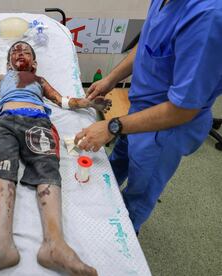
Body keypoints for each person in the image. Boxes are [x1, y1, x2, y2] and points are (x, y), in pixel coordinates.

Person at [0, 41, 110, 276]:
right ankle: (2, 244)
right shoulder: (2, 79)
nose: (19, 53)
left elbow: (62, 101)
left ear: (35, 63)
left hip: (37, 122)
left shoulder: (38, 81)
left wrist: (88, 103)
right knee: (2, 165)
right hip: (3, 122)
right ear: (8, 62)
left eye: (25, 51)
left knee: (47, 167)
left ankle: (54, 244)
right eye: (15, 52)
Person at [76, 0, 222, 234]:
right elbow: (147, 44)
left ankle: (122, 236)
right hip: (139, 111)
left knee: (138, 195)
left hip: (167, 128)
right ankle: (101, 205)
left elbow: (183, 109)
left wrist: (112, 126)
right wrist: (111, 79)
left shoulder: (207, 18)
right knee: (114, 167)